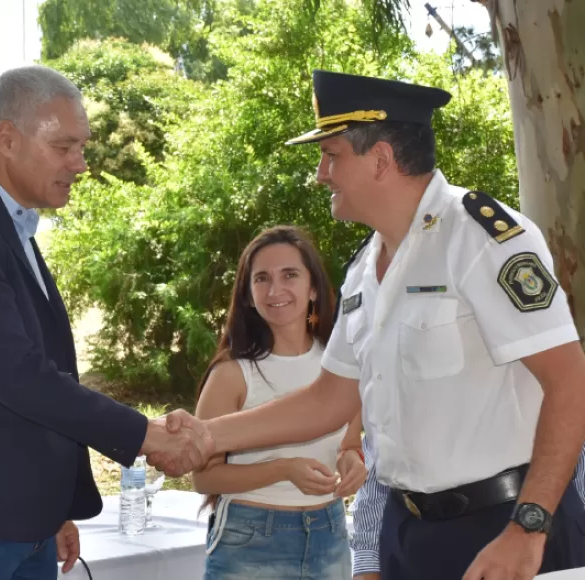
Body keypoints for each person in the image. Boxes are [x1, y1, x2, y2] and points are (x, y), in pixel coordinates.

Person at [153, 70, 585, 580]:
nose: (320, 173)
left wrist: (529, 526)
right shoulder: (365, 268)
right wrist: (206, 433)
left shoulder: (482, 237)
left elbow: (570, 381)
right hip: (408, 535)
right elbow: (329, 399)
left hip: (504, 531)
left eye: (331, 155)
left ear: (380, 158)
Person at [0, 65, 207, 580]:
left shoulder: (8, 224)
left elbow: (41, 370)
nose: (79, 164)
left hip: (21, 517)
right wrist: (144, 434)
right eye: (65, 147)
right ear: (8, 138)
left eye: (81, 147)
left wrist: (53, 507)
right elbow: (17, 375)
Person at [193, 225, 367, 579]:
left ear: (314, 287)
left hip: (330, 533)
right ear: (247, 295)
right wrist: (283, 469)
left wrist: (353, 462)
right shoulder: (232, 374)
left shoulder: (344, 367)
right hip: (250, 540)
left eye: (290, 274)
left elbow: (348, 445)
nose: (275, 290)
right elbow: (204, 479)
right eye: (261, 279)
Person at [350, 433, 585, 580]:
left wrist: (529, 529)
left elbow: (570, 406)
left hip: (523, 531)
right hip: (405, 540)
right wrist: (367, 559)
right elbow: (378, 451)